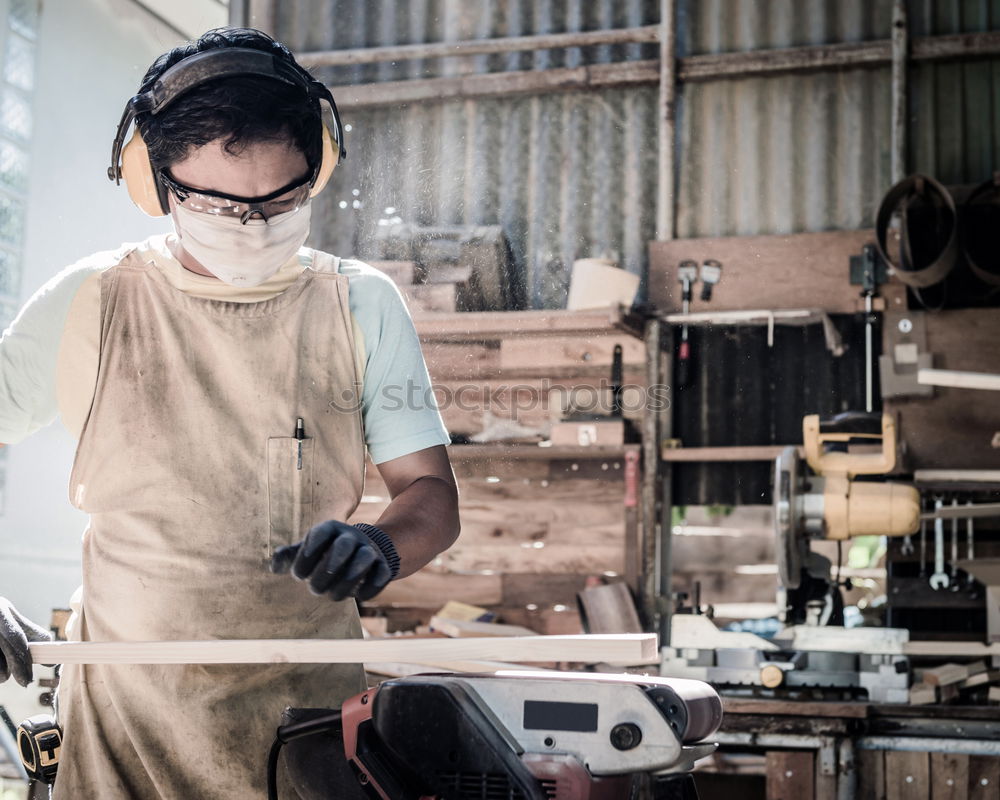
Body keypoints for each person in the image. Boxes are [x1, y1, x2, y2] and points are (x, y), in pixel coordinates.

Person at [0, 27, 460, 798]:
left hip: (305, 731)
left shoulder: (360, 306)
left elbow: (433, 499)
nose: (252, 225)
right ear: (155, 182)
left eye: (279, 200)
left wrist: (382, 544)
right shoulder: (92, 301)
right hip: (123, 726)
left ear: (317, 168)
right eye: (217, 203)